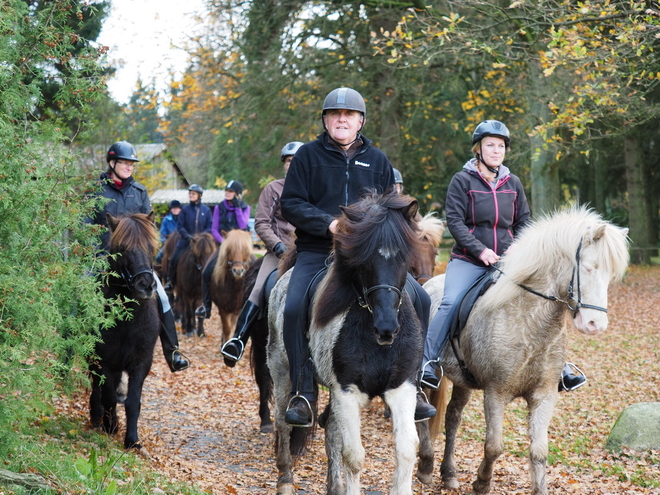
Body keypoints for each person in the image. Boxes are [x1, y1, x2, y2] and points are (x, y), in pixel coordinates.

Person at [279, 87, 435, 427]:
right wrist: (329, 223)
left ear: (360, 121)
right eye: (335, 114)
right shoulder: (307, 156)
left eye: (348, 115)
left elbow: (392, 208)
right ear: (325, 119)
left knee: (421, 299)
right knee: (293, 308)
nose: (341, 119)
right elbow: (290, 203)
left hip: (370, 257)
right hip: (319, 251)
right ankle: (304, 391)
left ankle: (415, 383)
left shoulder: (377, 160)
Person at [419, 120, 586, 393]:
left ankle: (561, 366)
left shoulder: (514, 183)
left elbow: (524, 221)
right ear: (478, 149)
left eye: (500, 146)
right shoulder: (462, 180)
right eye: (490, 145)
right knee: (450, 303)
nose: (496, 151)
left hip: (508, 261)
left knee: (540, 300)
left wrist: (518, 247)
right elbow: (455, 222)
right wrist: (480, 250)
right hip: (469, 261)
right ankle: (428, 362)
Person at [90, 141, 190, 372]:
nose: (128, 167)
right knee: (80, 296)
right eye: (124, 163)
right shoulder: (96, 191)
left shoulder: (140, 192)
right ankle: (68, 353)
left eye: (131, 164)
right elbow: (85, 226)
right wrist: (96, 255)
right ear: (112, 163)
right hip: (102, 260)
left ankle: (173, 352)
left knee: (162, 297)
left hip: (134, 263)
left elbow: (148, 228)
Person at [220, 142, 301, 366]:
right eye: (288, 161)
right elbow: (263, 223)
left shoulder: (316, 190)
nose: (292, 165)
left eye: (297, 161)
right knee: (257, 289)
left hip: (308, 252)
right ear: (284, 165)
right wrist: (277, 245)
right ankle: (237, 340)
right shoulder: (273, 189)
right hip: (279, 252)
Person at [195, 180, 250, 319]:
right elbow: (214, 229)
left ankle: (252, 305)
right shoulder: (219, 207)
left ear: (237, 194)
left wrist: (237, 209)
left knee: (255, 268)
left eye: (230, 191)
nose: (227, 193)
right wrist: (224, 242)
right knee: (206, 271)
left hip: (241, 248)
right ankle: (205, 305)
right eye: (226, 190)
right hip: (223, 246)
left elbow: (243, 226)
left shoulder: (244, 207)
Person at [164, 184, 212, 293]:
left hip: (201, 243)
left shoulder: (206, 210)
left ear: (199, 195)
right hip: (186, 241)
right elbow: (180, 226)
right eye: (190, 193)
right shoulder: (185, 209)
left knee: (211, 260)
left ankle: (211, 283)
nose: (191, 195)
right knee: (173, 259)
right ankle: (170, 281)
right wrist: (187, 236)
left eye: (193, 193)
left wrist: (201, 237)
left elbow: (210, 226)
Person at [156, 200, 182, 264]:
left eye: (177, 208)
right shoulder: (166, 220)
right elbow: (162, 234)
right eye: (173, 208)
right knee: (158, 257)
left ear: (180, 209)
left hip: (181, 244)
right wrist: (166, 243)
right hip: (169, 244)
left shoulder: (183, 219)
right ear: (171, 209)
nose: (175, 210)